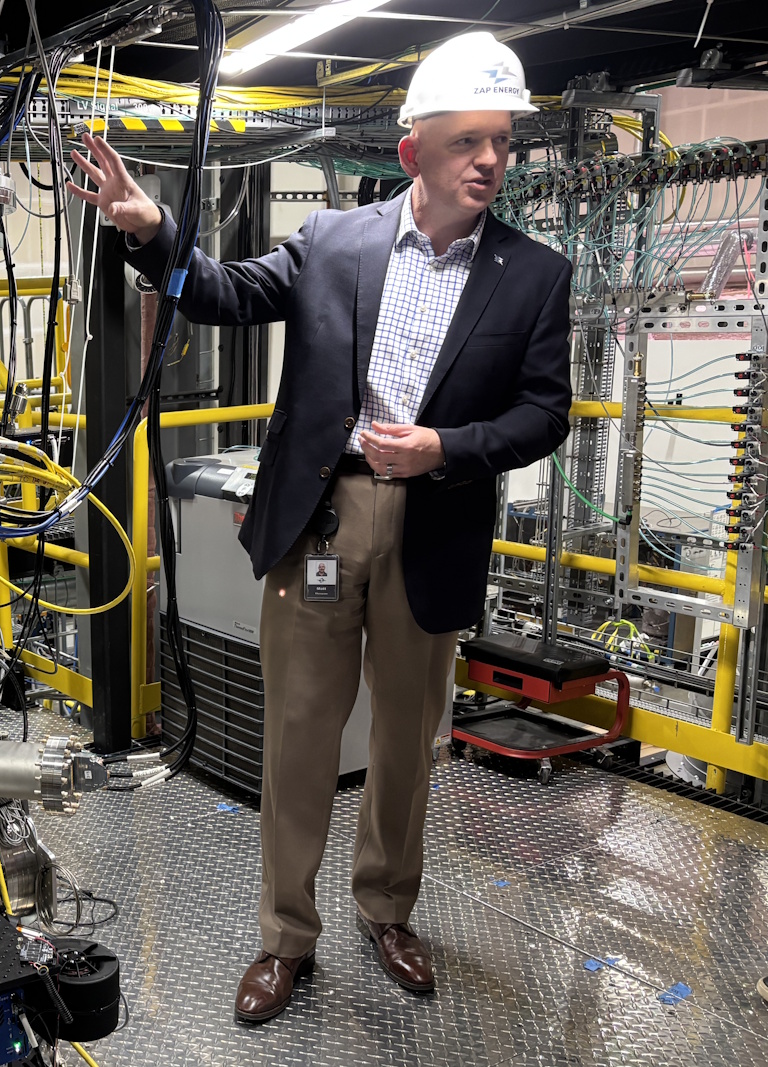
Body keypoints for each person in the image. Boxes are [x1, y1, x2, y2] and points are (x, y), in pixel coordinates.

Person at [67, 32, 572, 1022]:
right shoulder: (333, 242)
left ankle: (387, 909)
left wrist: (446, 447)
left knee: (404, 740)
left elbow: (543, 412)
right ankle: (283, 935)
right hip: (321, 519)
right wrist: (151, 230)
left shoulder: (533, 274)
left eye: (502, 143)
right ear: (410, 154)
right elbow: (223, 293)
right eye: (468, 140)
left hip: (433, 522)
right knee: (298, 738)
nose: (489, 161)